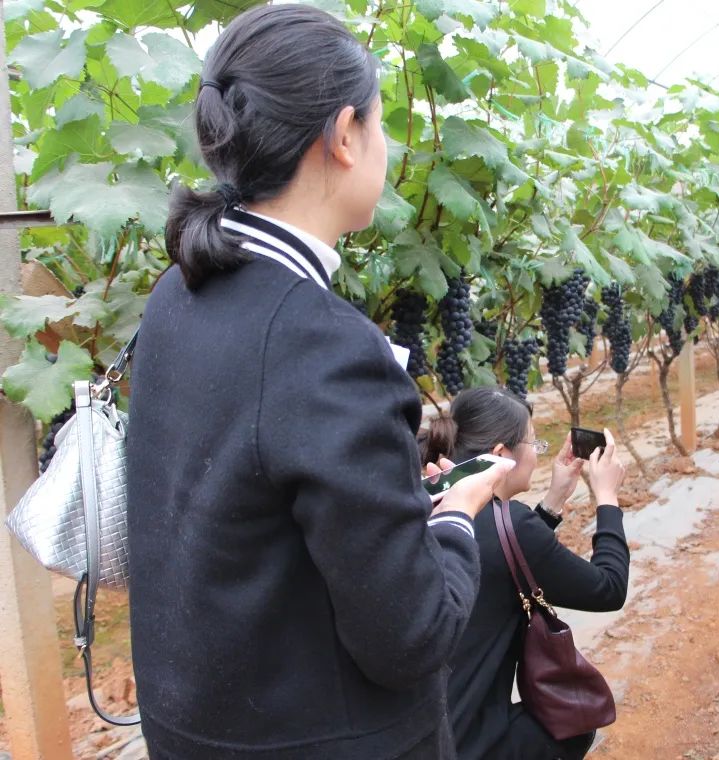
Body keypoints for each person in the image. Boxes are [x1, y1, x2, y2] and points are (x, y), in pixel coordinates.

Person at [126, 6, 509, 758]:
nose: (387, 146)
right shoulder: (325, 346)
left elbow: (250, 517)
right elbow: (411, 634)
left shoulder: (178, 294)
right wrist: (457, 517)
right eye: (380, 124)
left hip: (198, 733)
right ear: (342, 135)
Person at [418, 387, 631, 760]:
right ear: (503, 455)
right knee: (575, 724)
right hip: (470, 744)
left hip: (417, 732)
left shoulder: (428, 499)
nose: (537, 454)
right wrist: (607, 497)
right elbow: (609, 589)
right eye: (534, 443)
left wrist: (552, 503)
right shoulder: (513, 527)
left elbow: (498, 558)